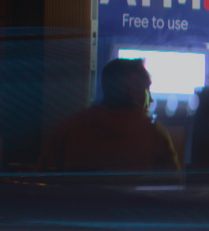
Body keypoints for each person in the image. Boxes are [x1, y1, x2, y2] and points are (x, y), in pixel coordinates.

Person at [44, 57, 178, 173]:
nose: (151, 99)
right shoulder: (155, 134)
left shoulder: (70, 129)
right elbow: (173, 187)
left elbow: (43, 177)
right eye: (147, 90)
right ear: (133, 92)